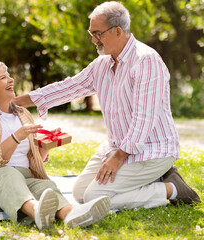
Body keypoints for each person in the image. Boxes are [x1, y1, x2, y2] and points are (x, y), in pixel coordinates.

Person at [13, 1, 200, 209]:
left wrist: (118, 158)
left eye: (98, 33)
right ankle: (151, 180)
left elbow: (144, 120)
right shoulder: (103, 64)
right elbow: (70, 87)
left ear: (118, 31)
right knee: (80, 193)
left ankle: (172, 188)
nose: (93, 40)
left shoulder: (146, 61)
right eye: (91, 33)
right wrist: (20, 101)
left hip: (153, 149)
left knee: (96, 196)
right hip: (116, 146)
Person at [0, 60, 110, 229]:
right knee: (8, 174)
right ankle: (36, 211)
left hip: (19, 180)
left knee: (45, 185)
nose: (11, 80)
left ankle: (71, 214)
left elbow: (32, 159)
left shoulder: (23, 114)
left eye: (9, 75)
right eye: (3, 77)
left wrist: (44, 147)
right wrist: (16, 137)